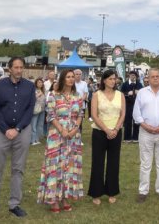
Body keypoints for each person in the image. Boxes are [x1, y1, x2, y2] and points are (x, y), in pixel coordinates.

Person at [0, 57, 36, 223]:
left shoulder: (29, 86)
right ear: (9, 69)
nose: (19, 70)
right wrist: (5, 129)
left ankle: (14, 204)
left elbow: (30, 110)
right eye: (16, 67)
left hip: (22, 131)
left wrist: (17, 129)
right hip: (0, 131)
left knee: (18, 169)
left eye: (21, 67)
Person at [37, 69, 84, 212]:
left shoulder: (78, 96)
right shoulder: (53, 95)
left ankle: (65, 197)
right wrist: (63, 130)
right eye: (68, 77)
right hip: (56, 135)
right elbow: (51, 115)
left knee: (69, 166)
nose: (71, 79)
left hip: (73, 137)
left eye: (72, 77)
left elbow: (80, 114)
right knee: (55, 166)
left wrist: (75, 129)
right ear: (62, 79)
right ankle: (53, 200)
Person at [132, 68, 159, 203]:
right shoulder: (142, 93)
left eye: (158, 76)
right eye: (153, 76)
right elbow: (136, 113)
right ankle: (143, 191)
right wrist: (146, 126)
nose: (155, 78)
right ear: (148, 78)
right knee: (145, 164)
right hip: (146, 132)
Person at [88, 70, 125, 205]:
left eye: (114, 79)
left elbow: (123, 114)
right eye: (110, 79)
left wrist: (115, 129)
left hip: (116, 132)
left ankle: (112, 192)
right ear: (104, 80)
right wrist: (106, 130)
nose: (113, 81)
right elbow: (94, 114)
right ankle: (96, 193)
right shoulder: (96, 95)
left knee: (113, 163)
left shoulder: (120, 95)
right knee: (97, 162)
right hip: (99, 132)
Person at [121, 71, 143, 143]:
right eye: (132, 75)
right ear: (129, 76)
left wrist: (139, 92)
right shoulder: (125, 84)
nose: (133, 77)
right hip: (127, 104)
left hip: (136, 105)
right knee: (128, 121)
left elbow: (143, 94)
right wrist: (127, 93)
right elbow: (121, 93)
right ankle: (127, 138)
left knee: (136, 120)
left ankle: (136, 137)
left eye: (134, 76)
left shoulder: (139, 84)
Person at [31, 78, 46, 145]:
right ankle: (32, 140)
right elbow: (31, 99)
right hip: (35, 109)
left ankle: (37, 139)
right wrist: (37, 95)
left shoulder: (43, 90)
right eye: (39, 82)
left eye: (41, 82)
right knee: (33, 125)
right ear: (36, 83)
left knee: (39, 125)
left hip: (42, 110)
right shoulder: (33, 90)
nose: (40, 83)